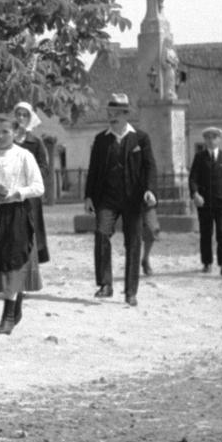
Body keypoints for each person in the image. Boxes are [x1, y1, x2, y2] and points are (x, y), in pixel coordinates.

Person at [83, 93, 158, 307]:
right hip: (107, 198)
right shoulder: (101, 140)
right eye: (109, 112)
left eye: (116, 113)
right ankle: (105, 284)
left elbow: (150, 167)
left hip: (133, 199)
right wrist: (88, 196)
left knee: (133, 242)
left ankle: (131, 292)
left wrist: (150, 190)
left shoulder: (140, 139)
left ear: (126, 115)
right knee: (101, 233)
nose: (111, 116)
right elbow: (93, 170)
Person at [0, 116, 46, 335]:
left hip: (16, 212)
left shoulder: (24, 156)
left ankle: (8, 315)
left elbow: (38, 187)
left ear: (15, 132)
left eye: (5, 132)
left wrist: (17, 192)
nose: (0, 136)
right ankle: (13, 306)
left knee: (14, 262)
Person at [189, 126, 222, 274]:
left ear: (219, 139)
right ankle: (207, 262)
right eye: (208, 138)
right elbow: (193, 178)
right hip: (205, 203)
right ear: (204, 140)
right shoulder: (199, 158)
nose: (211, 140)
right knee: (206, 234)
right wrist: (195, 194)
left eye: (214, 137)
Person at [10, 102, 51, 270]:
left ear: (30, 118)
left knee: (30, 231)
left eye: (24, 115)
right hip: (8, 194)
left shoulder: (35, 142)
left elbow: (43, 167)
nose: (21, 118)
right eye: (18, 114)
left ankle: (29, 273)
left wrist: (29, 179)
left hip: (29, 195)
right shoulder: (4, 138)